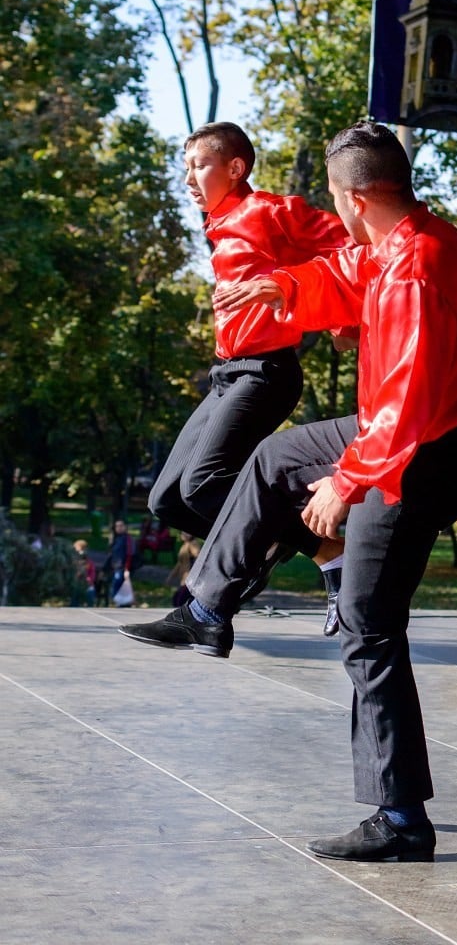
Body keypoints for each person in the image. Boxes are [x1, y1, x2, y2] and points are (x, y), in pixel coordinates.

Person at [120, 121, 457, 862]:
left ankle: (401, 821)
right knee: (272, 460)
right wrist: (288, 284)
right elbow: (349, 274)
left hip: (418, 454)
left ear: (352, 196)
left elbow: (407, 403)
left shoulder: (416, 272)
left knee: (370, 624)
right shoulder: (411, 239)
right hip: (401, 433)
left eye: (334, 196)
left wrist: (346, 480)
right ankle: (207, 609)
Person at [147, 121, 351, 632]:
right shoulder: (221, 226)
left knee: (203, 485)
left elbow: (354, 240)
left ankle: (330, 550)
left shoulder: (268, 212)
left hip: (267, 372)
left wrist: (340, 316)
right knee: (167, 498)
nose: (189, 178)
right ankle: (271, 536)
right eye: (185, 167)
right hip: (227, 375)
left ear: (235, 168)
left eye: (199, 166)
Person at [103, 519, 139, 604]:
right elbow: (112, 555)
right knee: (116, 587)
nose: (119, 528)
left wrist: (127, 568)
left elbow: (130, 554)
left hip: (122, 568)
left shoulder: (128, 539)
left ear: (125, 527)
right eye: (117, 526)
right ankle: (121, 604)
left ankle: (123, 604)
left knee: (117, 586)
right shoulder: (116, 539)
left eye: (121, 525)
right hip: (115, 567)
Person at [165, 532, 201, 607]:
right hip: (184, 579)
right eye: (182, 533)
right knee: (177, 599)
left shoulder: (193, 544)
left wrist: (194, 571)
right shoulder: (185, 545)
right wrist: (171, 577)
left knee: (179, 600)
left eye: (186, 533)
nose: (182, 534)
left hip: (190, 580)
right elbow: (179, 564)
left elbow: (198, 557)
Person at [71, 539, 97, 607]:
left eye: (80, 550)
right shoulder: (73, 562)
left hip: (87, 585)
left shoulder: (89, 562)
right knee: (74, 597)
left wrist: (90, 579)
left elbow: (92, 572)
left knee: (90, 592)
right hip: (77, 585)